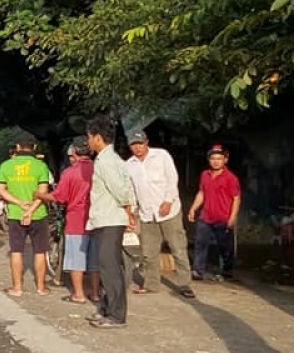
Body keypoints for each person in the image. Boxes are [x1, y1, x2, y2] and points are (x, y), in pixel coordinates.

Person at [125, 131, 196, 298]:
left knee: (178, 248)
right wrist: (131, 211)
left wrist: (168, 200)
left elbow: (172, 178)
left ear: (147, 142)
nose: (138, 147)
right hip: (147, 214)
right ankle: (151, 284)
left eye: (140, 143)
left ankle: (185, 284)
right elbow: (130, 191)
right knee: (149, 252)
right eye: (134, 144)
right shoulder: (129, 165)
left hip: (169, 211)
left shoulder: (161, 155)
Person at [85, 116, 137, 329]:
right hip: (105, 219)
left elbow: (121, 190)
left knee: (110, 267)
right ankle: (107, 308)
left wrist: (128, 212)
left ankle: (116, 316)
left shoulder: (107, 161)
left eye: (89, 137)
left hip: (110, 219)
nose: (87, 141)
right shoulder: (108, 159)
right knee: (107, 266)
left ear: (97, 138)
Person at [34, 137, 100, 304]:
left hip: (76, 220)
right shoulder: (98, 169)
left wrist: (39, 195)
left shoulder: (70, 172)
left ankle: (78, 294)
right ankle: (95, 293)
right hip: (97, 219)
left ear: (74, 153)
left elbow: (59, 197)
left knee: (76, 259)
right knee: (94, 260)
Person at [0, 132, 52, 296]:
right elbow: (43, 191)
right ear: (34, 147)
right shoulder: (41, 166)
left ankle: (17, 288)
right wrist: (31, 210)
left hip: (15, 214)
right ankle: (41, 288)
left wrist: (20, 204)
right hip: (38, 214)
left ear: (17, 147)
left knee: (16, 251)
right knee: (40, 251)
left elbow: (0, 190)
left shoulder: (6, 166)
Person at [188, 144, 242, 281]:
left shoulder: (231, 178)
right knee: (200, 243)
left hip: (223, 218)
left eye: (219, 158)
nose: (216, 161)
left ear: (225, 160)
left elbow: (236, 199)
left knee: (225, 246)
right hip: (206, 216)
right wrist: (193, 209)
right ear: (209, 159)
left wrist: (232, 218)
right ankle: (198, 271)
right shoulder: (205, 175)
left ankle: (227, 271)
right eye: (213, 158)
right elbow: (201, 193)